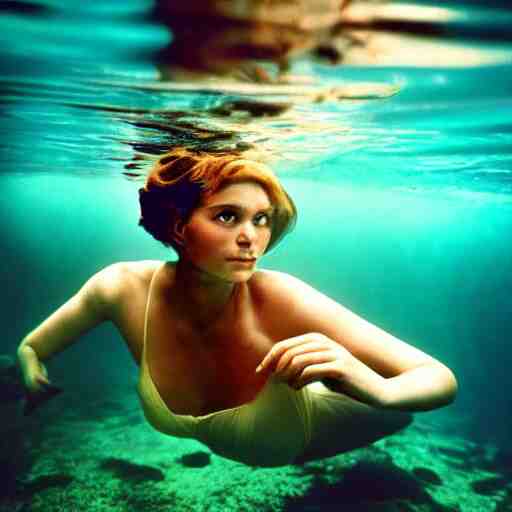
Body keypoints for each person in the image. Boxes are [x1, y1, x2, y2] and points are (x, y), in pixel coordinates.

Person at [17, 147, 458, 467]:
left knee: (401, 413)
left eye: (261, 219)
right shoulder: (120, 288)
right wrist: (30, 370)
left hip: (327, 422)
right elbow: (31, 348)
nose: (251, 238)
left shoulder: (277, 294)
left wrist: (375, 389)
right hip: (263, 430)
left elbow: (438, 379)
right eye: (228, 216)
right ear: (179, 225)